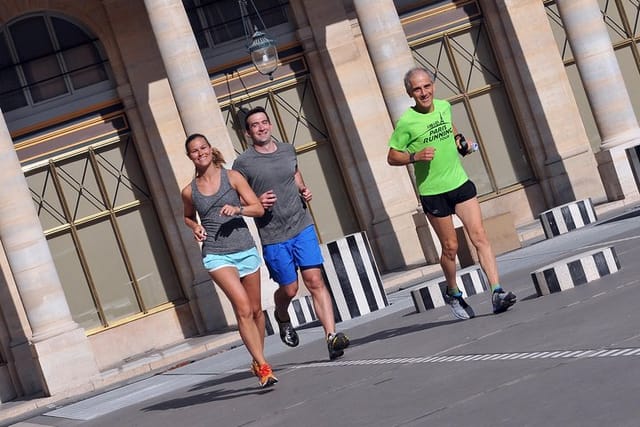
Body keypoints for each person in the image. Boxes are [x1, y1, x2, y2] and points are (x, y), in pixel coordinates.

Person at [387, 67, 516, 320]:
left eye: (427, 86)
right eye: (417, 89)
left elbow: (450, 127)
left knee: (479, 236)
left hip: (459, 182)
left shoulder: (444, 106)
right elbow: (392, 156)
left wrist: (460, 141)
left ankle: (497, 291)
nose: (423, 92)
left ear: (433, 86)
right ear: (409, 93)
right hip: (433, 192)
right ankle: (453, 291)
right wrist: (414, 156)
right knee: (450, 247)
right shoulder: (406, 122)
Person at [232, 106, 350, 360]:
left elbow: (294, 172)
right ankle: (282, 315)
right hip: (273, 235)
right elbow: (238, 195)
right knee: (290, 289)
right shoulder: (243, 163)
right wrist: (257, 201)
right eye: (255, 125)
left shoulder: (287, 149)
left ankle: (331, 337)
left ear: (271, 125)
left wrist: (303, 189)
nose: (261, 127)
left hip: (301, 225)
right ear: (247, 133)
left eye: (265, 122)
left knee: (315, 281)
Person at [181, 133, 277, 387]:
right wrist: (194, 227)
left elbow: (257, 208)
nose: (200, 153)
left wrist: (238, 210)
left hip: (244, 248)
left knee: (256, 311)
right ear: (189, 156)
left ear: (211, 150)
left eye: (203, 147)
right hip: (215, 254)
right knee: (243, 308)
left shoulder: (232, 177)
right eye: (194, 151)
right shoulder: (189, 191)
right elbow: (187, 216)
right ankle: (264, 366)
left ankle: (259, 360)